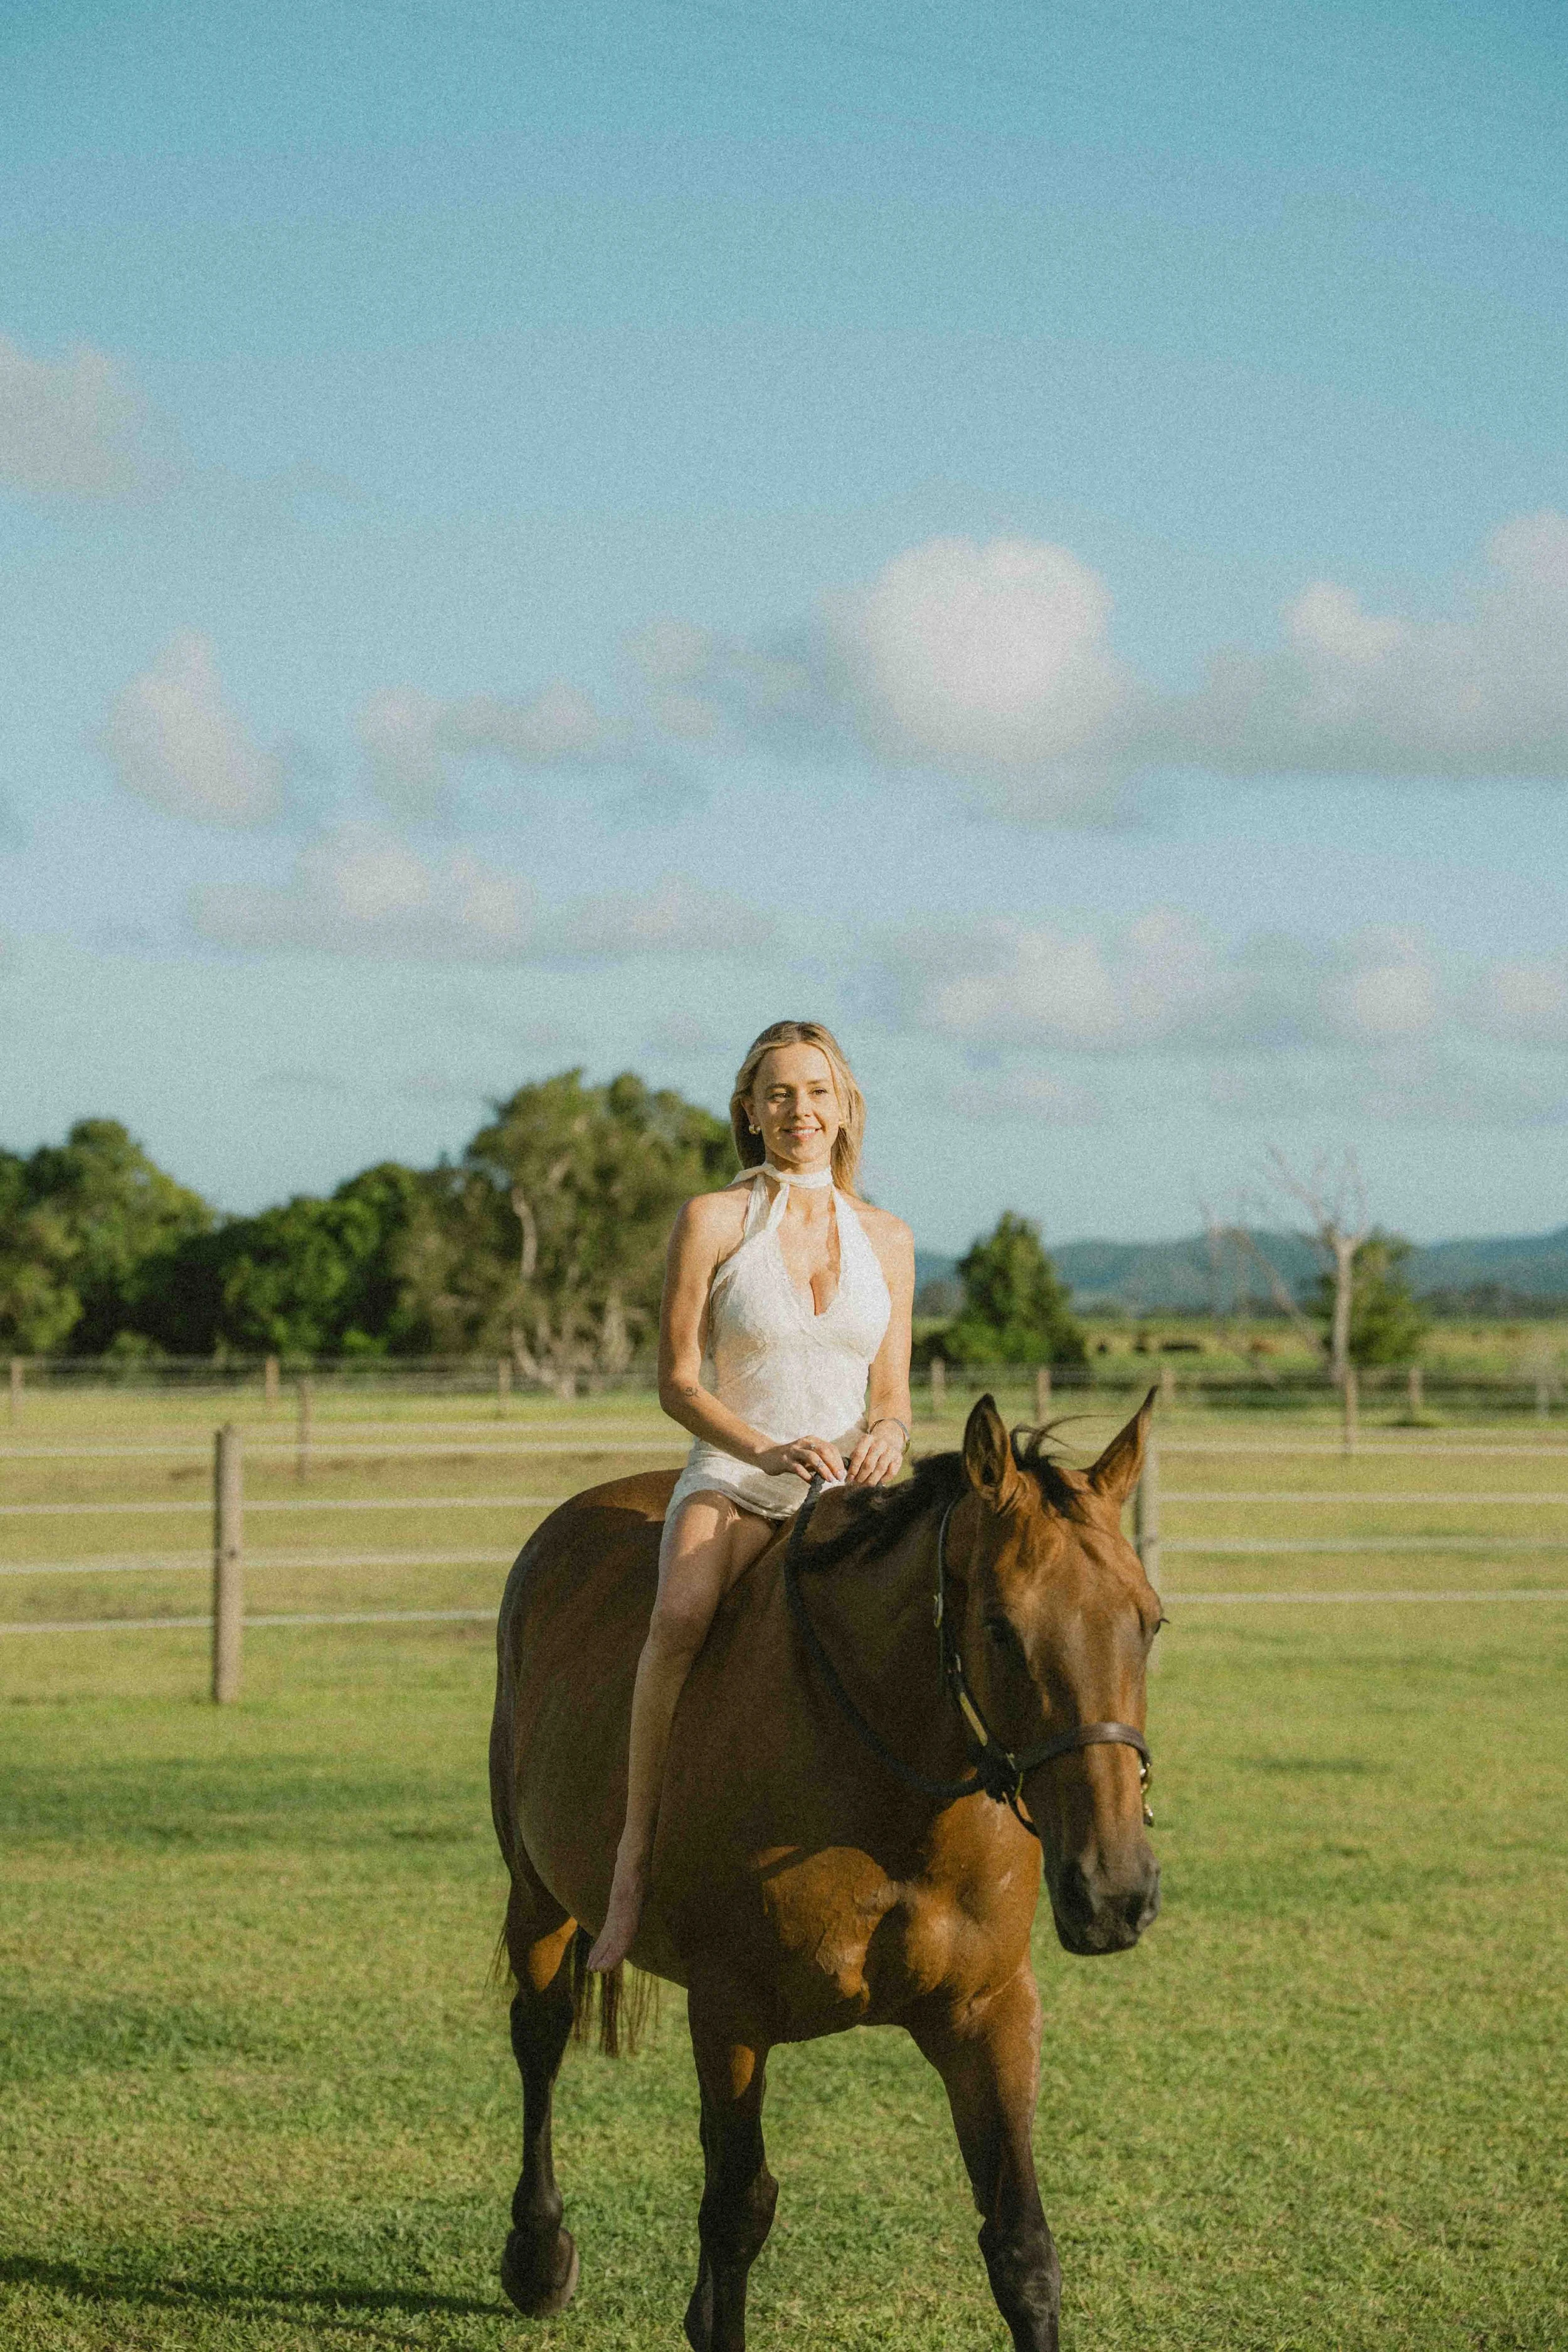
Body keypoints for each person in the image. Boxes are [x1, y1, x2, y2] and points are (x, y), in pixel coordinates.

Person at [586, 1019, 914, 1971]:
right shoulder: (714, 1220)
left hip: (845, 1494)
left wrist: (887, 1438)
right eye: (778, 1094)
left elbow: (889, 1397)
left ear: (845, 1106)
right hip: (737, 1473)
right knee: (681, 1612)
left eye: (816, 1091)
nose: (798, 1110)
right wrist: (771, 1448)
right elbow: (678, 1383)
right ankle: (631, 1869)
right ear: (749, 1111)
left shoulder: (888, 1239)